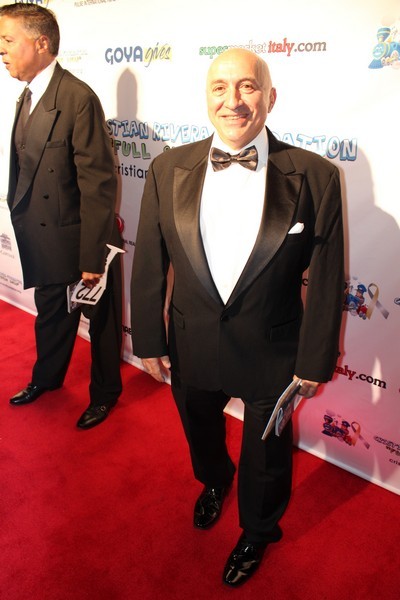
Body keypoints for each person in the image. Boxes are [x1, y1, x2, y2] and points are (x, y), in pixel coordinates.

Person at [131, 48, 344, 586]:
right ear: (206, 97)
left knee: (268, 454)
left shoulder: (316, 176)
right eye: (220, 87)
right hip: (190, 340)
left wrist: (314, 360)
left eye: (248, 86)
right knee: (200, 431)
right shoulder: (166, 168)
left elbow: (326, 278)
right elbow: (150, 260)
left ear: (270, 97)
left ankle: (258, 530)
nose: (234, 101)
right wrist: (149, 338)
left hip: (273, 348)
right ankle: (214, 479)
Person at [0, 4, 123, 430]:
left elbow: (98, 184)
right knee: (51, 312)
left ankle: (105, 395)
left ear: (41, 43)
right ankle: (47, 378)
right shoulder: (28, 94)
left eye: (7, 40)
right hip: (47, 237)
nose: (2, 51)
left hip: (84, 240)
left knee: (102, 326)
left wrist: (92, 258)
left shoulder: (77, 98)